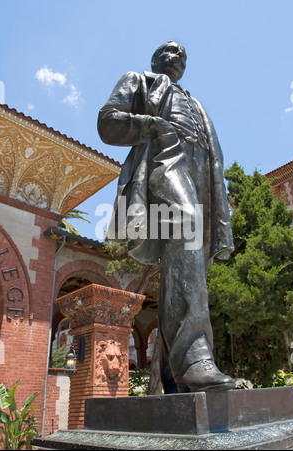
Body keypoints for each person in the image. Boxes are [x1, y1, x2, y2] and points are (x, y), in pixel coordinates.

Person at [98, 41, 235, 393]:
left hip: (201, 169)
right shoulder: (140, 81)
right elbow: (108, 122)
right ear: (156, 59)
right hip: (165, 159)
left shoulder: (198, 105)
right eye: (170, 51)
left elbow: (216, 157)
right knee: (187, 221)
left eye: (183, 55)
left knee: (191, 262)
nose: (177, 57)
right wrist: (155, 127)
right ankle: (194, 356)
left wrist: (223, 209)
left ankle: (170, 376)